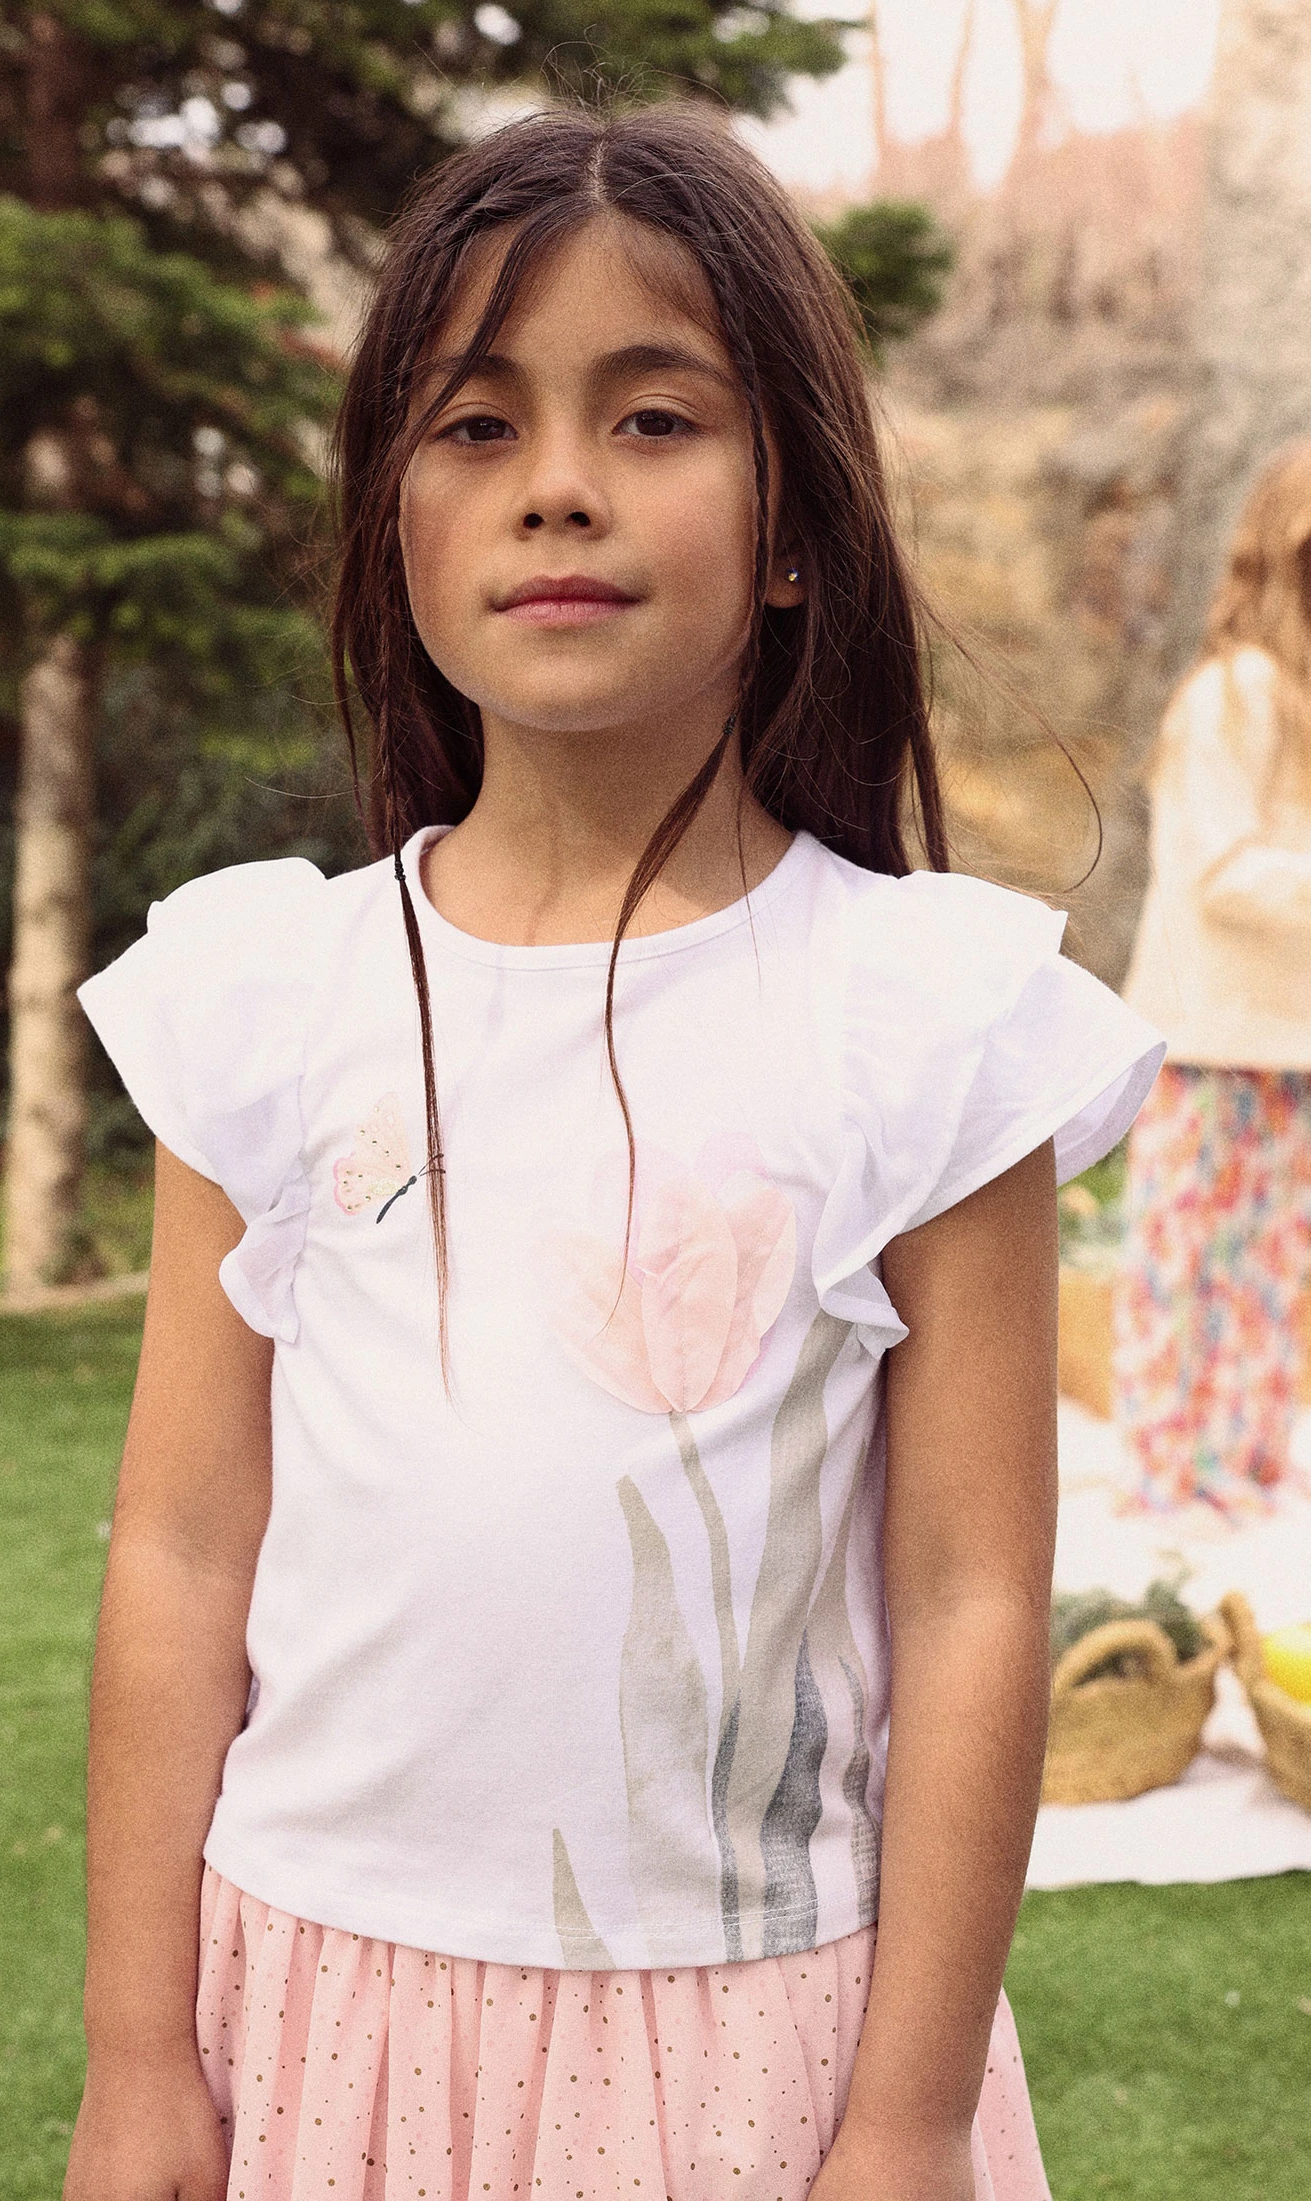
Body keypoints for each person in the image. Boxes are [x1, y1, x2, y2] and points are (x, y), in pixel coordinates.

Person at [64, 106, 1162, 2201]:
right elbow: (180, 1549)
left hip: (755, 2050)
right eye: (474, 425)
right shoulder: (271, 997)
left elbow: (967, 1600)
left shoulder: (921, 1020)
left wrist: (911, 2112)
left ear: (791, 527)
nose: (556, 480)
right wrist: (136, 2053)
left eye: (653, 416)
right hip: (316, 2021)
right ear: (391, 520)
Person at [1116, 441, 1311, 1519]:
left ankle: (1245, 1461)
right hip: (1203, 1034)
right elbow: (1223, 873)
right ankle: (1165, 1473)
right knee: (1182, 1261)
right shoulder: (1230, 693)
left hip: (1288, 1036)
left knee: (1272, 1264)